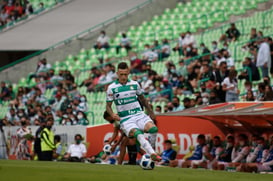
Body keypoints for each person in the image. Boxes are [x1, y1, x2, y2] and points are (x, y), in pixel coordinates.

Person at [106, 62, 161, 161]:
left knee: (153, 129)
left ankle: (151, 150)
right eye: (121, 74)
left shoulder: (135, 84)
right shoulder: (111, 88)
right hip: (126, 119)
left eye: (125, 74)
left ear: (128, 73)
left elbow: (143, 99)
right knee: (137, 133)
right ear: (117, 73)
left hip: (139, 114)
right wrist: (112, 114)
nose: (123, 77)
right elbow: (108, 106)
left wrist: (150, 111)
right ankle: (153, 153)